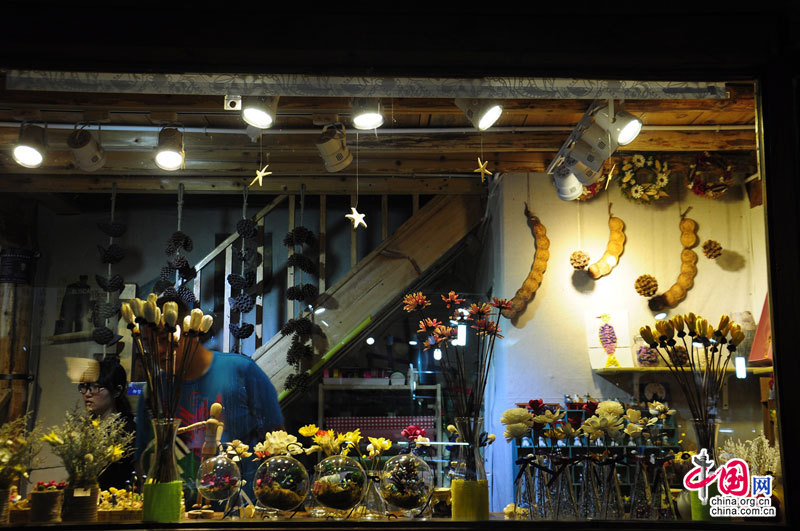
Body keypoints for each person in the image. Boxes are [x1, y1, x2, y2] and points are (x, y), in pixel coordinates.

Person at [134, 297, 283, 505]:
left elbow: (277, 441)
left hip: (239, 510)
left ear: (192, 334)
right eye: (148, 343)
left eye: (163, 339)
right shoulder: (153, 390)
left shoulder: (241, 371)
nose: (157, 350)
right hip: (174, 509)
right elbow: (143, 459)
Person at [81, 358, 137, 490]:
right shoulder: (88, 427)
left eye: (95, 387)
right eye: (85, 387)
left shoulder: (127, 430)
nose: (87, 394)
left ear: (117, 391)